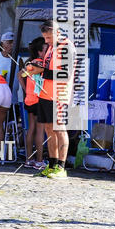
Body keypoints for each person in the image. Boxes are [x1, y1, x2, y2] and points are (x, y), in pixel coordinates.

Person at [32, 20, 75, 179]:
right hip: (45, 93)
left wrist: (41, 71)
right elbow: (47, 69)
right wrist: (34, 69)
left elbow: (65, 75)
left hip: (59, 95)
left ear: (58, 32)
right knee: (49, 130)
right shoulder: (50, 47)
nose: (47, 41)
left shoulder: (67, 47)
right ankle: (52, 165)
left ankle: (61, 168)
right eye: (45, 38)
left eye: (49, 38)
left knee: (59, 129)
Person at [19, 37, 47, 170]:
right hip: (40, 99)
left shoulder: (30, 63)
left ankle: (29, 159)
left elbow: (20, 75)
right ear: (40, 51)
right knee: (40, 130)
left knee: (30, 129)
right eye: (46, 48)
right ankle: (39, 161)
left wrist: (26, 90)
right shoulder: (43, 64)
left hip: (30, 99)